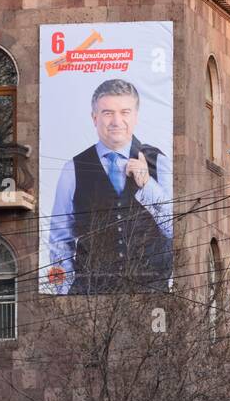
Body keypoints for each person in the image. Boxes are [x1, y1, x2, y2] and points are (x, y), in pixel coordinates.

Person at [47, 78, 173, 294]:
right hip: (91, 297)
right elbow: (60, 240)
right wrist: (65, 295)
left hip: (151, 293)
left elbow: (175, 229)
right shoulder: (73, 169)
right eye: (107, 113)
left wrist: (147, 186)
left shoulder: (159, 162)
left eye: (124, 112)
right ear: (94, 118)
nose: (116, 121)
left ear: (135, 117)